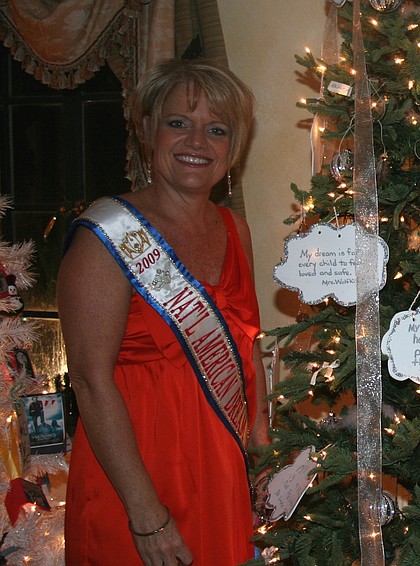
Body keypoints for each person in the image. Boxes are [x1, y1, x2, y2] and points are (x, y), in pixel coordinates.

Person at [58, 58, 269, 566]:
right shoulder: (105, 236)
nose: (197, 142)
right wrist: (145, 513)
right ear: (148, 129)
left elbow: (247, 347)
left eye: (216, 130)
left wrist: (262, 452)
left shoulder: (234, 229)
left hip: (221, 468)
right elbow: (89, 381)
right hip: (135, 476)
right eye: (179, 123)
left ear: (232, 148)